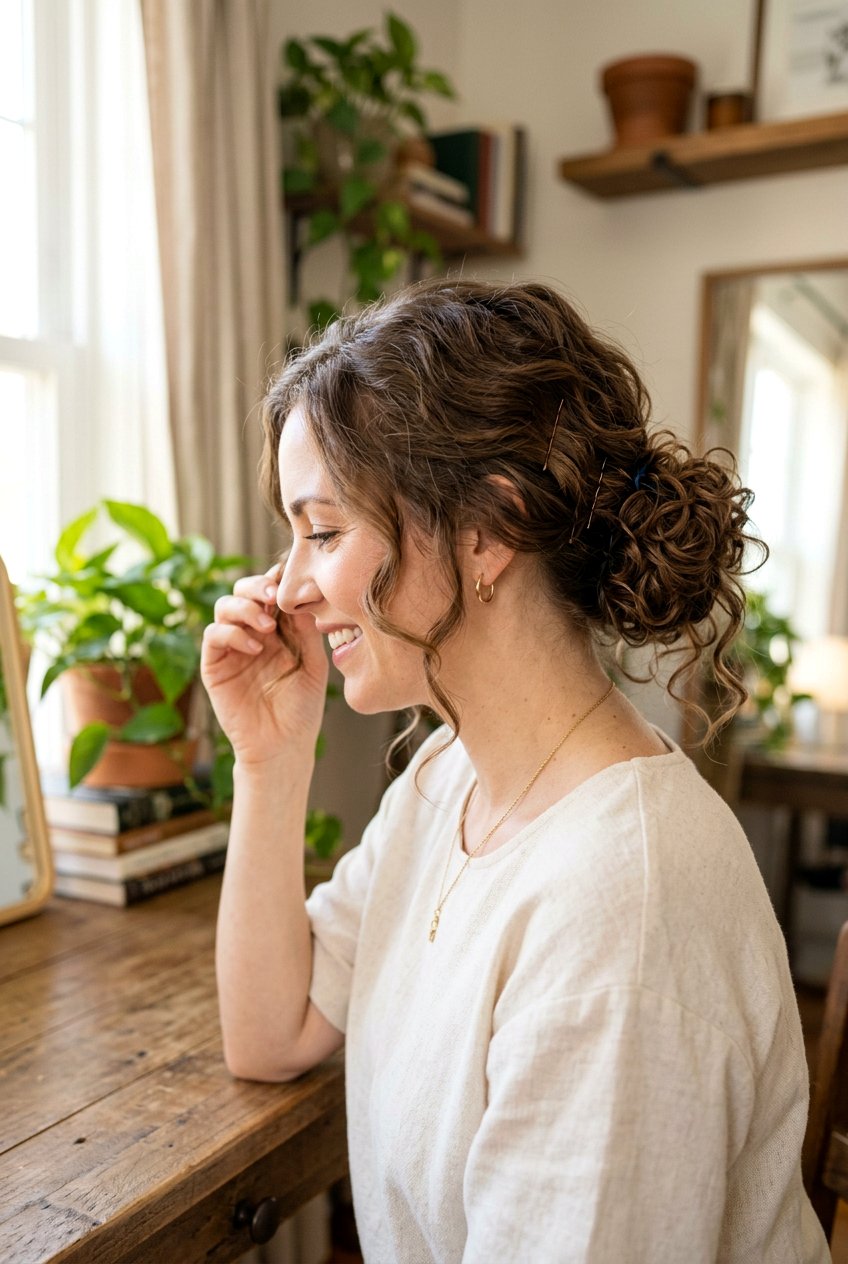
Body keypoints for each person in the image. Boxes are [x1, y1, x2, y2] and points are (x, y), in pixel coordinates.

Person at [203, 278, 830, 1263]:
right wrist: (269, 759)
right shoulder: (447, 782)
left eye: (321, 531)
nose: (284, 586)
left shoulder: (621, 914)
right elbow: (271, 1033)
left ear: (485, 531)